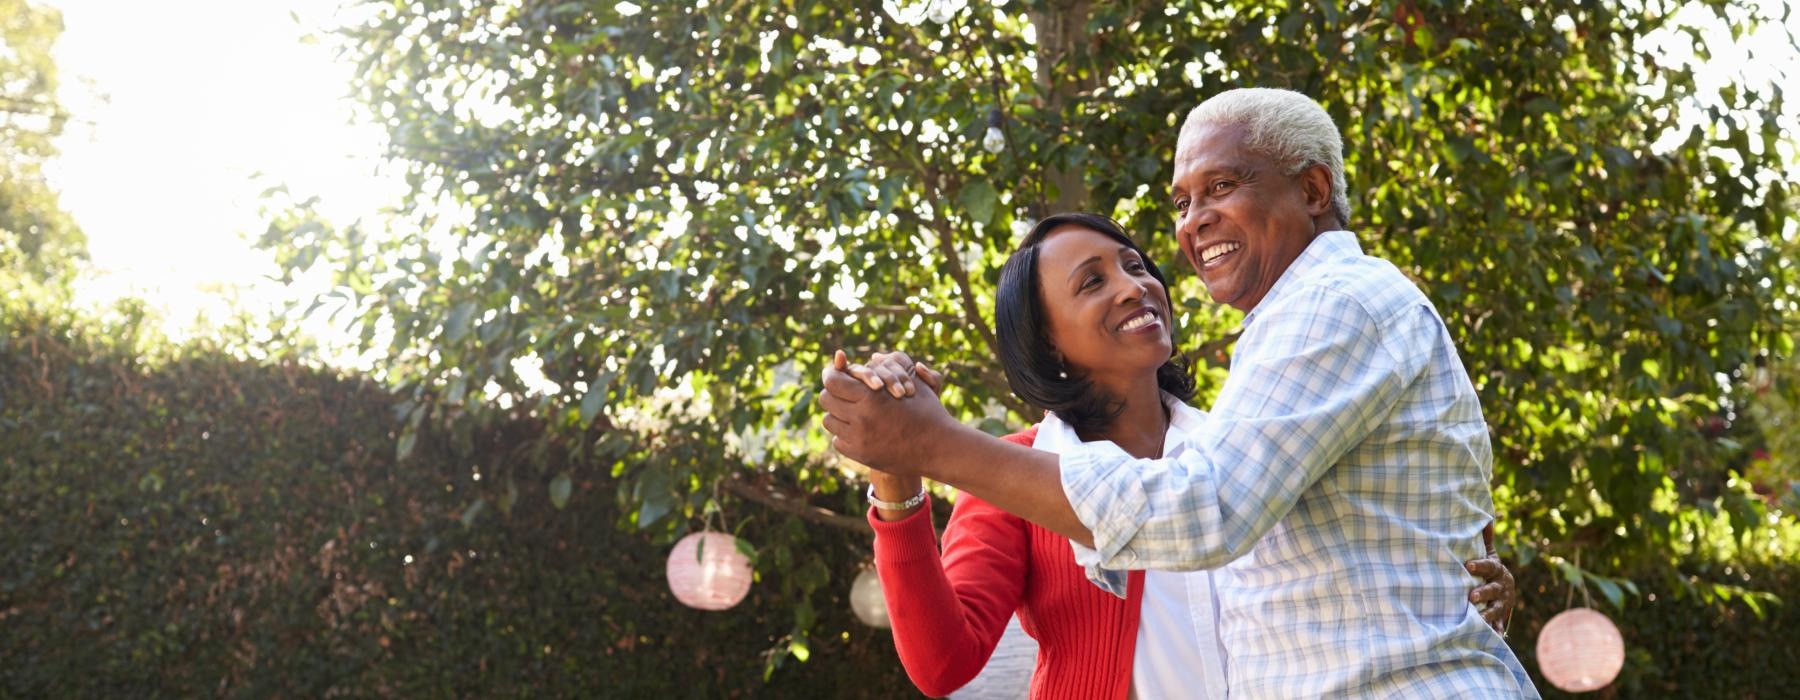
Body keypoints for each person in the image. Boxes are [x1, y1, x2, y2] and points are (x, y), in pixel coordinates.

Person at [819, 88, 1538, 697]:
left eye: (1135, 264)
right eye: (1093, 282)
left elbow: (1210, 512)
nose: (1141, 279)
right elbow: (943, 660)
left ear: (1312, 191)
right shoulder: (1015, 472)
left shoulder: (1259, 393)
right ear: (1048, 345)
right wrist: (901, 471)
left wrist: (1458, 590)